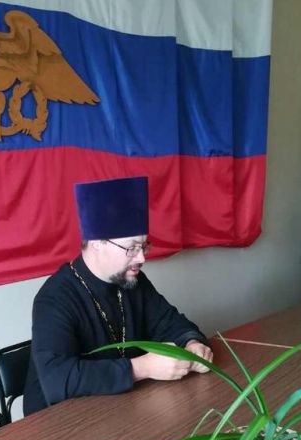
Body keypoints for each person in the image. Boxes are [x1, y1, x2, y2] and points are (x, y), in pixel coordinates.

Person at [23, 176, 213, 415]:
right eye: (131, 248)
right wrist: (142, 368)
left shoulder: (132, 281)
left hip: (122, 407)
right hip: (60, 422)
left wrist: (192, 344)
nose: (141, 258)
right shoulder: (54, 298)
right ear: (97, 243)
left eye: (144, 246)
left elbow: (171, 323)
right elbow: (58, 380)